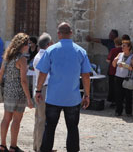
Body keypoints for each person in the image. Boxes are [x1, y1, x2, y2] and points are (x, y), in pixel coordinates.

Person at [35, 22, 92, 152]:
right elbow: (86, 76)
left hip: (54, 97)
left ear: (59, 34)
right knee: (72, 128)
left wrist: (38, 90)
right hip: (72, 98)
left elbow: (43, 73)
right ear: (71, 33)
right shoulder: (80, 51)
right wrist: (87, 95)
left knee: (49, 128)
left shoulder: (50, 50)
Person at [0, 33, 34, 152]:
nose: (29, 46)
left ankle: (2, 145)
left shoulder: (7, 56)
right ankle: (13, 146)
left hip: (7, 90)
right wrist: (28, 98)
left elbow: (1, 72)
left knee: (6, 118)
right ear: (22, 45)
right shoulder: (22, 59)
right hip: (18, 93)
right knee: (16, 120)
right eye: (27, 44)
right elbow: (23, 80)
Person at [32, 33, 52, 152]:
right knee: (42, 119)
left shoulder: (38, 56)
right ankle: (40, 147)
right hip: (44, 88)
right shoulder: (45, 57)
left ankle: (38, 145)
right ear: (48, 44)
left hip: (40, 88)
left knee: (39, 118)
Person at [111, 39, 133, 117]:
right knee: (118, 95)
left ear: (129, 47)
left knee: (128, 96)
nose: (122, 47)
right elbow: (113, 65)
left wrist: (125, 66)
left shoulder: (132, 57)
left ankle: (128, 112)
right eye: (122, 46)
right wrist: (115, 61)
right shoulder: (119, 54)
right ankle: (118, 111)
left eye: (124, 46)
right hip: (118, 77)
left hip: (127, 78)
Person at [105, 36, 123, 106]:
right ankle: (120, 100)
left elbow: (108, 60)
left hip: (112, 70)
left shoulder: (113, 50)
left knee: (112, 86)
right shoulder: (123, 50)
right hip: (121, 71)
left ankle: (113, 101)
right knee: (120, 86)